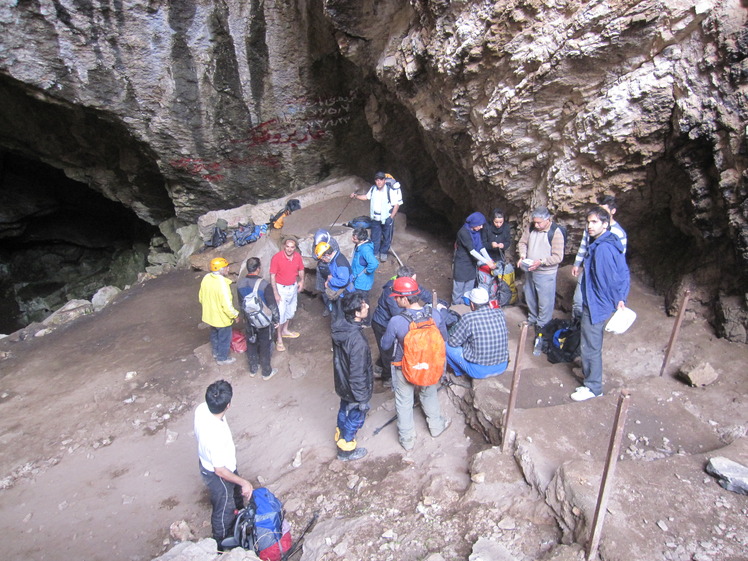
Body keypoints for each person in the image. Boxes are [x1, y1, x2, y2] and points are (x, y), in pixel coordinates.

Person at [381, 277, 450, 451]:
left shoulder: (397, 321)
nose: (395, 300)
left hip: (403, 366)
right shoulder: (434, 314)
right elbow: (444, 338)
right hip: (429, 364)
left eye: (396, 297)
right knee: (429, 393)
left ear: (404, 299)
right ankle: (436, 427)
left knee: (404, 402)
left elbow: (385, 345)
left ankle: (407, 440)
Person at [570, 206, 630, 401]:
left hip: (596, 303)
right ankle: (591, 379)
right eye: (588, 222)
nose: (589, 226)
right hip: (601, 301)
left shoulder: (602, 249)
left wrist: (615, 300)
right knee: (591, 343)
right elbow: (623, 272)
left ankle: (593, 387)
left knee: (590, 345)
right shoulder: (610, 242)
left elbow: (608, 279)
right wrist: (621, 297)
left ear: (605, 224)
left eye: (594, 222)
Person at [194, 380, 253, 546]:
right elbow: (219, 470)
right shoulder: (215, 436)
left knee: (235, 493)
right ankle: (220, 542)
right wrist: (244, 482)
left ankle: (240, 515)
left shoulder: (201, 409)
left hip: (217, 462)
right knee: (224, 507)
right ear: (228, 405)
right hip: (217, 473)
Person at [371, 265, 431, 387]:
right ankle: (387, 378)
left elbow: (421, 292)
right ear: (405, 280)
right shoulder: (391, 292)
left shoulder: (407, 284)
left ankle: (379, 366)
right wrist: (419, 314)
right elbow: (399, 315)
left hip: (391, 322)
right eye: (413, 281)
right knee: (389, 351)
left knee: (388, 349)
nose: (415, 283)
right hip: (382, 324)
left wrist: (437, 302)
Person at [331, 291, 374, 461]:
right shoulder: (357, 342)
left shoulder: (341, 327)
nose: (368, 307)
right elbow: (357, 374)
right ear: (357, 313)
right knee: (355, 416)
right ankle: (346, 449)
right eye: (364, 305)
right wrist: (362, 399)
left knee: (344, 409)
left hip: (342, 382)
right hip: (353, 388)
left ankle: (340, 434)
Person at [571, 195, 627, 320]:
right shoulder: (591, 227)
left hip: (603, 275)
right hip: (587, 271)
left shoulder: (619, 233)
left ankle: (588, 330)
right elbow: (584, 245)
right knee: (578, 302)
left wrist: (619, 293)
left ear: (613, 212)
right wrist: (577, 263)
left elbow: (620, 261)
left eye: (604, 210)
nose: (599, 213)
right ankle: (575, 330)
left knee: (595, 306)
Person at [516, 206, 565, 338]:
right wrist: (522, 256)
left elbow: (558, 257)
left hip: (545, 273)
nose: (536, 225)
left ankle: (543, 326)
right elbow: (522, 243)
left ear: (547, 220)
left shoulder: (556, 233)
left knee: (545, 301)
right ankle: (532, 318)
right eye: (535, 222)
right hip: (530, 269)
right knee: (530, 295)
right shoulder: (531, 227)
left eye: (539, 223)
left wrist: (541, 262)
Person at [446, 287, 510, 378]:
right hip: (502, 366)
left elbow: (453, 343)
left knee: (445, 345)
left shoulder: (468, 318)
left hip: (478, 371)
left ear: (472, 304)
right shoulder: (499, 313)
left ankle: (459, 373)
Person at [236, 257, 280, 381]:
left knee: (251, 342)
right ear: (258, 269)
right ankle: (266, 372)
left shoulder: (240, 284)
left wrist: (246, 318)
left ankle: (253, 369)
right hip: (264, 320)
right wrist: (276, 320)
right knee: (265, 344)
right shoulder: (264, 284)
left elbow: (241, 304)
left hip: (249, 320)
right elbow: (272, 305)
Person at [350, 171, 403, 262]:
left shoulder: (389, 190)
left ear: (384, 181)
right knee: (375, 236)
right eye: (377, 180)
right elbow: (366, 197)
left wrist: (391, 217)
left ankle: (383, 253)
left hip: (386, 217)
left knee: (387, 236)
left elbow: (396, 205)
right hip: (375, 218)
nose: (379, 182)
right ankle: (375, 253)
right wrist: (356, 196)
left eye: (381, 180)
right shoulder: (373, 189)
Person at [199, 257, 240, 365]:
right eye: (226, 267)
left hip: (210, 316)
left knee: (214, 334)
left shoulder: (206, 278)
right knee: (224, 338)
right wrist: (235, 315)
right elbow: (227, 305)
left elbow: (201, 297)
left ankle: (216, 352)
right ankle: (222, 358)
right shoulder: (222, 284)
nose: (228, 269)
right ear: (221, 269)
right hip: (221, 319)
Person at [452, 212, 496, 306]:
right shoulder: (463, 232)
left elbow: (480, 247)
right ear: (473, 224)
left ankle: (467, 305)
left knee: (469, 287)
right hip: (462, 263)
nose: (481, 227)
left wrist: (489, 259)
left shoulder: (476, 232)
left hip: (472, 263)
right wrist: (486, 262)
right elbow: (472, 251)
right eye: (479, 225)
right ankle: (456, 306)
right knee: (459, 288)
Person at [269, 238, 305, 352]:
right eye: (288, 246)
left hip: (292, 287)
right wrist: (275, 293)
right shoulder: (277, 258)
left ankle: (285, 331)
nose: (289, 249)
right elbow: (272, 276)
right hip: (281, 289)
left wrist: (302, 281)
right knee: (280, 314)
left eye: (292, 247)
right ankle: (279, 339)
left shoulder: (297, 257)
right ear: (284, 246)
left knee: (290, 310)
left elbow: (301, 269)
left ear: (295, 248)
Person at [316, 241, 353, 318]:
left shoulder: (339, 263)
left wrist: (331, 280)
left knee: (340, 315)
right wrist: (328, 281)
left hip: (343, 294)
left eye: (322, 258)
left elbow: (343, 281)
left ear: (326, 255)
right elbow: (333, 273)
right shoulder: (334, 258)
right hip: (338, 292)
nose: (322, 261)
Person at [313, 229, 340, 317]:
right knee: (323, 290)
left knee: (332, 288)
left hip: (331, 269)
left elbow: (336, 256)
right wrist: (318, 256)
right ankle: (327, 307)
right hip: (321, 268)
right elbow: (314, 255)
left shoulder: (332, 242)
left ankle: (335, 308)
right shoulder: (316, 242)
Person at [350, 228, 379, 296]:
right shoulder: (359, 245)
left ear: (362, 240)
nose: (352, 239)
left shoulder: (365, 250)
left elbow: (374, 263)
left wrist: (367, 271)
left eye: (354, 239)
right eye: (353, 237)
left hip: (362, 283)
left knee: (361, 301)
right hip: (357, 279)